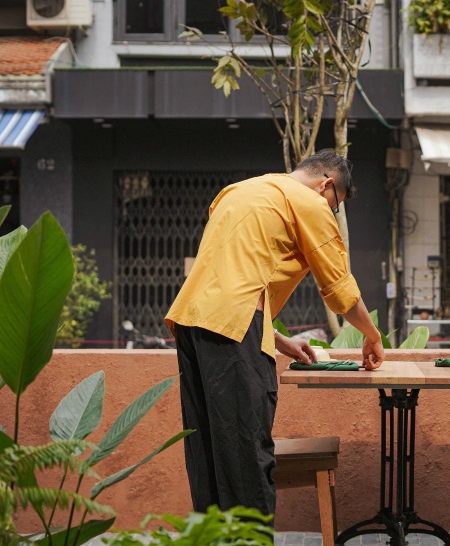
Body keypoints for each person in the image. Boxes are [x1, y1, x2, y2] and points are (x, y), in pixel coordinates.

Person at [165, 149, 386, 518]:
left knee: (208, 450)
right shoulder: (310, 202)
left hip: (191, 321)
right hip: (231, 332)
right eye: (336, 206)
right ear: (326, 185)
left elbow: (231, 278)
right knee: (245, 450)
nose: (332, 212)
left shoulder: (240, 191)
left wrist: (278, 340)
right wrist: (373, 336)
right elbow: (339, 290)